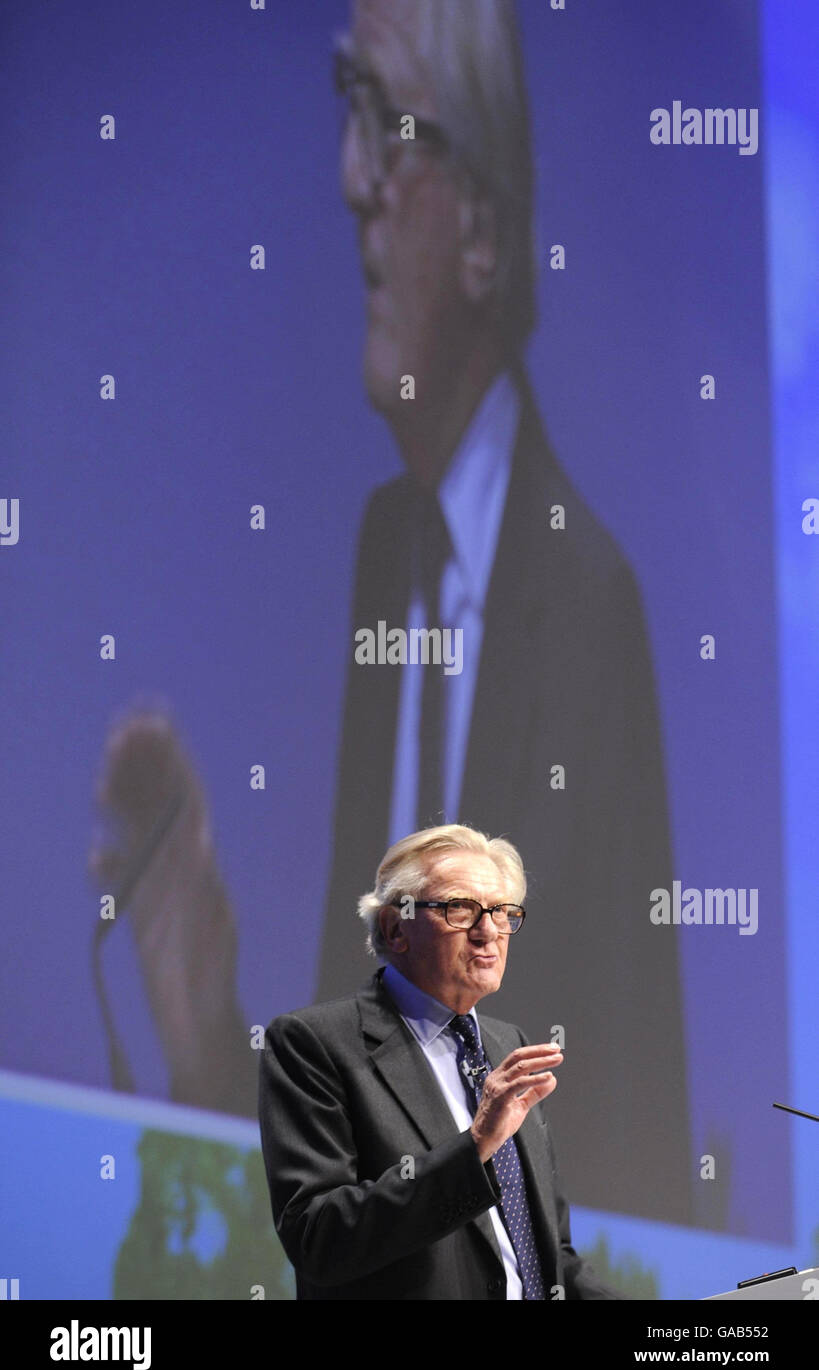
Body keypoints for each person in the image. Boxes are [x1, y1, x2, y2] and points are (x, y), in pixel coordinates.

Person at [316, 0, 692, 1223]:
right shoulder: (388, 549)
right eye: (345, 112)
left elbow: (636, 1085)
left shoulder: (590, 602)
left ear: (482, 227)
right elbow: (361, 1025)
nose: (350, 181)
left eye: (388, 124)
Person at [259, 825, 624, 1300]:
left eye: (502, 912)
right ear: (395, 928)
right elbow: (319, 1238)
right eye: (460, 909)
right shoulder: (315, 1044)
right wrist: (474, 1147)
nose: (488, 931)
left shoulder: (507, 1045)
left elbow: (547, 1253)